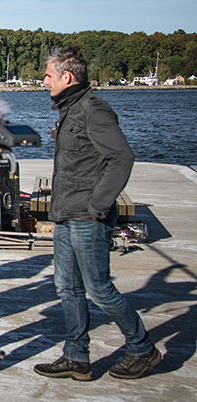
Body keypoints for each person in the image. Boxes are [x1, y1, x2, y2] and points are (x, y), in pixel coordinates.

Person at [33, 47, 162, 381]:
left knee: (100, 289)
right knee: (67, 287)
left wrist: (97, 206)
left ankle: (142, 348)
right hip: (65, 214)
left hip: (87, 217)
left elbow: (122, 157)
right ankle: (77, 357)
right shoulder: (70, 109)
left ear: (67, 76)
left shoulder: (93, 110)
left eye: (48, 75)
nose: (44, 80)